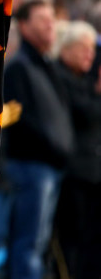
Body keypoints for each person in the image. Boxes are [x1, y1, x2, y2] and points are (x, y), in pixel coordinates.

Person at [0, 0, 73, 279]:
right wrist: (56, 147)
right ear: (23, 27)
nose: (51, 25)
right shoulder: (17, 68)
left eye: (52, 19)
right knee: (0, 243)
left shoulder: (43, 65)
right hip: (9, 169)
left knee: (13, 242)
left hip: (24, 170)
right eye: (42, 19)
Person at [52, 20, 101, 279]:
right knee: (72, 239)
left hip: (91, 174)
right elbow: (87, 113)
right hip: (73, 174)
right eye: (83, 48)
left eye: (92, 49)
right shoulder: (60, 76)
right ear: (66, 48)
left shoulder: (86, 80)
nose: (89, 54)